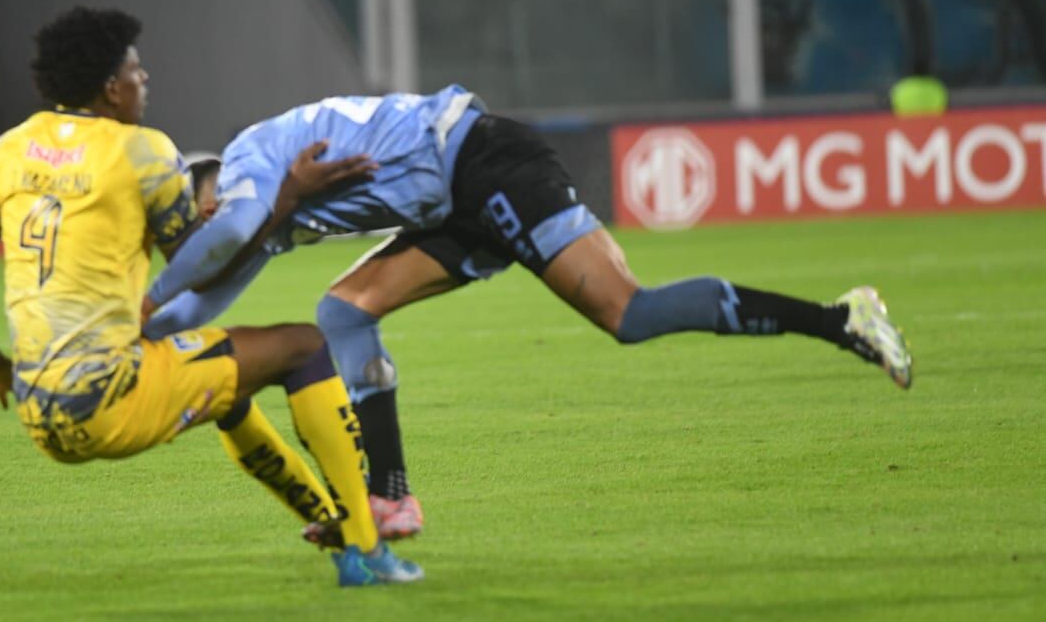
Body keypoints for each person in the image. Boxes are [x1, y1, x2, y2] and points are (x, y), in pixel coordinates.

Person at [143, 88, 915, 542]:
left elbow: (225, 242)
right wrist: (126, 336)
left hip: (483, 161)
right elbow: (209, 290)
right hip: (456, 202)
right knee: (344, 311)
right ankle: (390, 496)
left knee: (629, 314)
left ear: (200, 186)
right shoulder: (259, 217)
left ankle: (839, 319)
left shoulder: (244, 168)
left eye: (189, 215)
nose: (193, 227)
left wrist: (144, 300)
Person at [0, 7, 422, 586]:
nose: (145, 80)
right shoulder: (142, 151)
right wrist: (286, 200)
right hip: (111, 397)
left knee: (225, 380)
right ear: (111, 88)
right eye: (136, 70)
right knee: (305, 347)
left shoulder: (10, 149)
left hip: (39, 413)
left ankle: (331, 528)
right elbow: (204, 267)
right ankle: (366, 548)